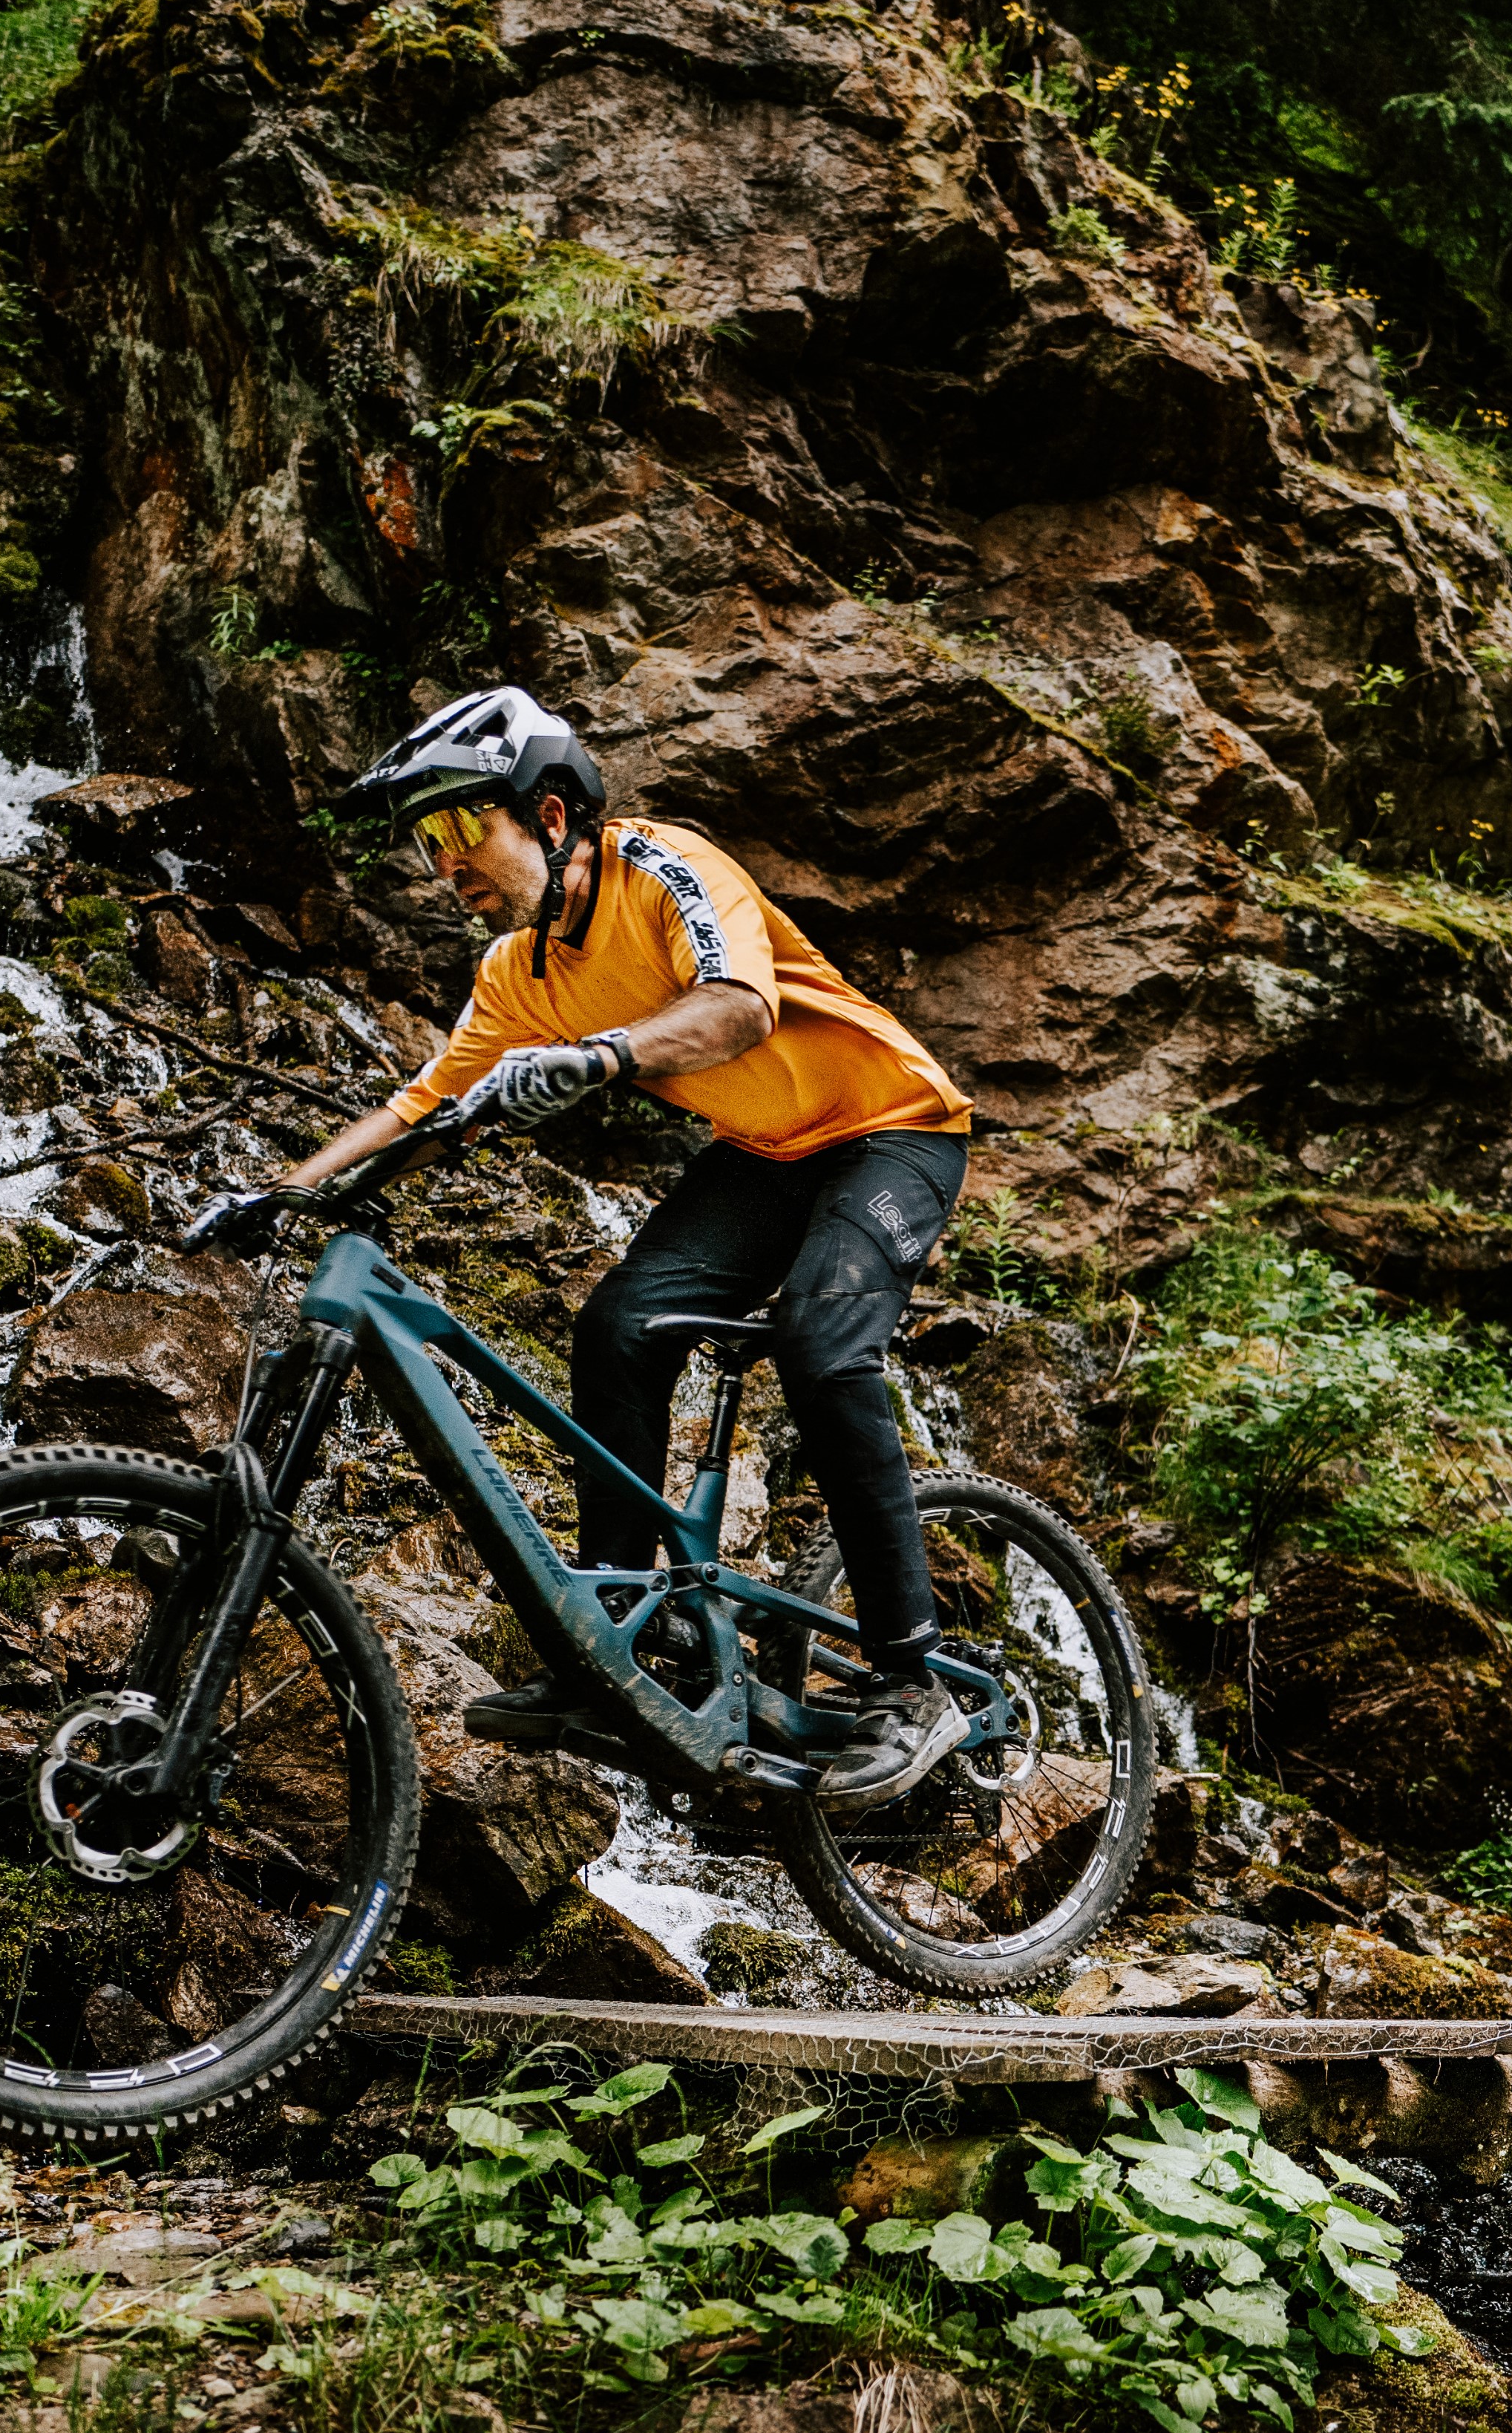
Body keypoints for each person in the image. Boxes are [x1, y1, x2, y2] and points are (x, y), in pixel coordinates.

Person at [247, 688, 978, 1808]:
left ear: (548, 812)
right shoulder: (515, 975)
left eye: (457, 831)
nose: (444, 866)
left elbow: (740, 1008)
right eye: (426, 843)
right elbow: (425, 1107)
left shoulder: (663, 865)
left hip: (892, 1129)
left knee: (821, 1346)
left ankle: (912, 1680)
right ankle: (625, 1639)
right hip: (766, 1152)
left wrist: (599, 1058)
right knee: (617, 1326)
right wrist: (282, 1194)